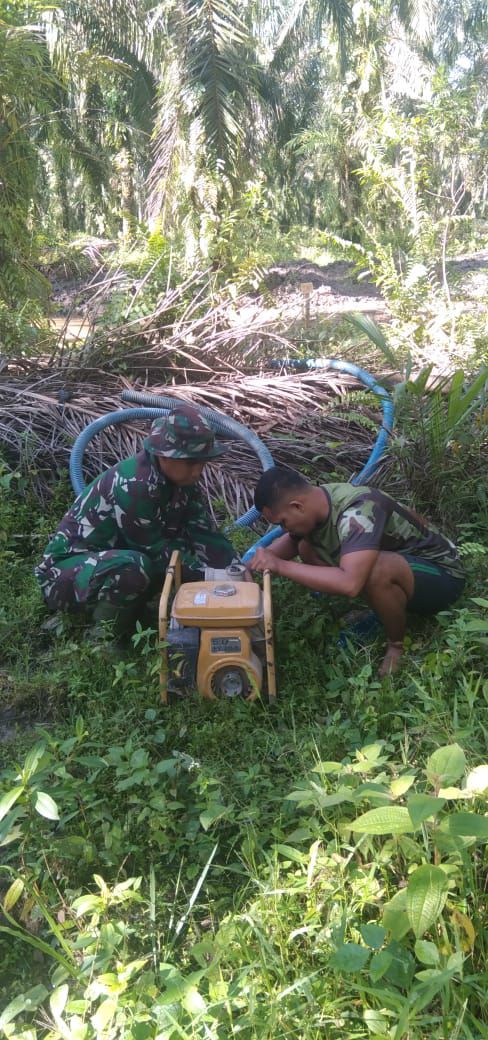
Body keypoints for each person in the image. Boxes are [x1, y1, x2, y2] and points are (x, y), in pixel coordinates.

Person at [247, 466, 465, 676]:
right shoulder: (317, 502)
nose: (284, 529)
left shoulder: (358, 510)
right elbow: (291, 543)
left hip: (442, 576)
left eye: (283, 522)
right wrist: (248, 569)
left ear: (297, 506)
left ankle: (397, 645)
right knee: (304, 544)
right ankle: (382, 605)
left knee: (374, 571)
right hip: (405, 569)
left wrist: (281, 566)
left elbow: (350, 584)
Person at [35, 405, 236, 631]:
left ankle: (138, 611)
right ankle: (105, 640)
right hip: (64, 575)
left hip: (113, 562)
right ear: (164, 456)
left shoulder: (181, 481)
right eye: (191, 462)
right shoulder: (135, 486)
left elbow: (203, 532)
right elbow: (156, 552)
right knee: (135, 567)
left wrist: (234, 570)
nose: (198, 471)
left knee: (177, 552)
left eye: (202, 462)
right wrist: (209, 575)